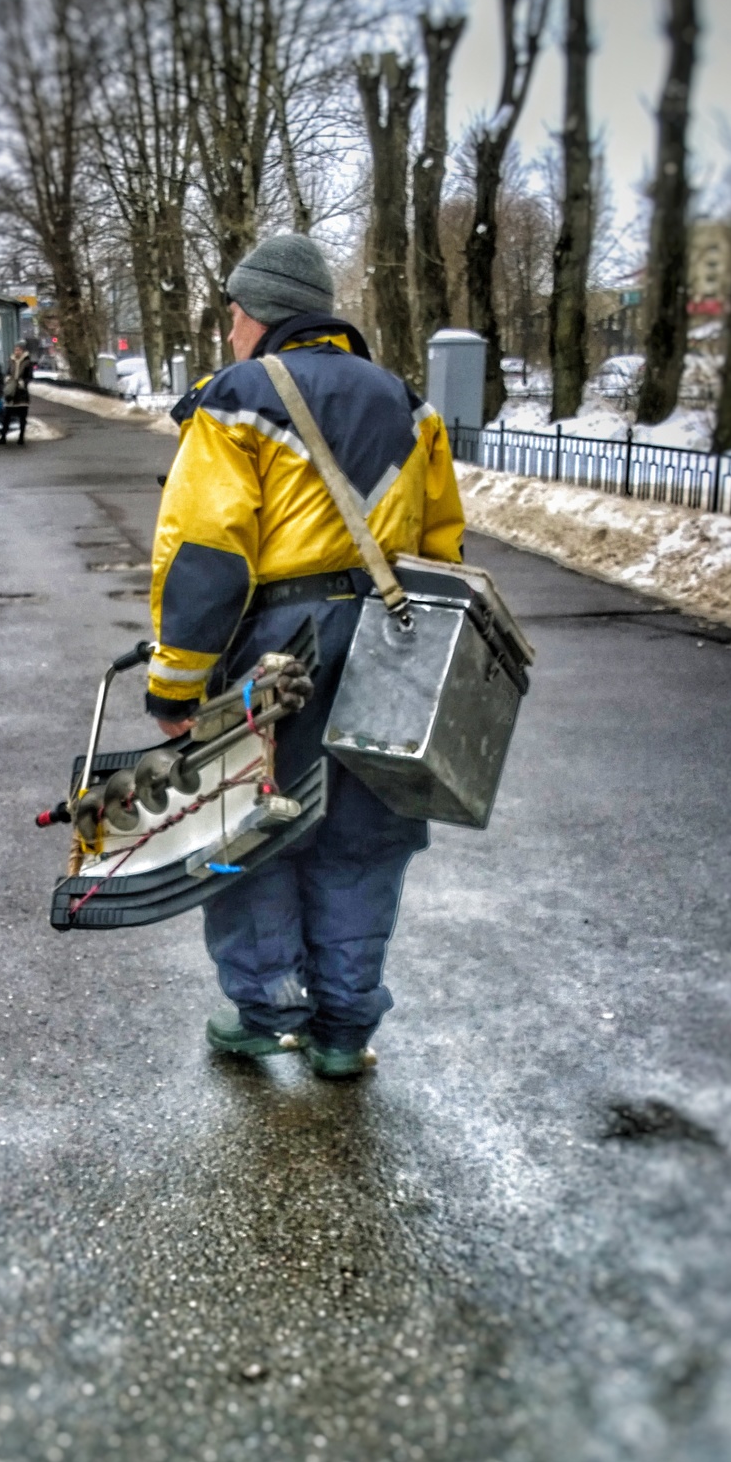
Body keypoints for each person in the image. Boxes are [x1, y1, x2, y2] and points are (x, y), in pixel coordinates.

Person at [148, 232, 465, 1079]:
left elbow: (208, 553)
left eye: (233, 315)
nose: (228, 331)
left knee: (251, 827)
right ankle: (344, 1028)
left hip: (272, 651)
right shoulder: (410, 404)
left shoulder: (237, 398)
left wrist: (175, 683)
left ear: (257, 315)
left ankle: (268, 1011)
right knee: (365, 837)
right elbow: (442, 551)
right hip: (386, 648)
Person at [1, 342, 33, 444]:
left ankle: (21, 437)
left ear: (22, 351)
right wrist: (7, 378)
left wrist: (24, 382)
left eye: (18, 350)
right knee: (6, 416)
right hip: (11, 392)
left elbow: (30, 376)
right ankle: (3, 437)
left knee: (22, 416)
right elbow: (8, 372)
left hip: (21, 392)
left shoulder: (27, 362)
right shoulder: (11, 361)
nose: (16, 352)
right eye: (15, 350)